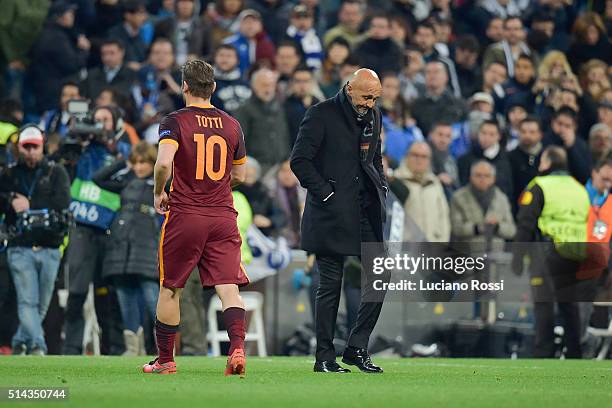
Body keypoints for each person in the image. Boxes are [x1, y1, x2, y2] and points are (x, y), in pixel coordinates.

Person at [143, 59, 249, 376]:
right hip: (222, 215)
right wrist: (214, 186)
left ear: (185, 86)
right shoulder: (232, 124)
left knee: (171, 288)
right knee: (228, 286)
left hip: (186, 214)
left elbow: (163, 164)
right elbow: (241, 174)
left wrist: (159, 191)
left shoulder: (175, 121)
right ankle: (238, 349)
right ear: (213, 87)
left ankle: (165, 361)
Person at [291, 68, 388, 373]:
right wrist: (327, 194)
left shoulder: (374, 116)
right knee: (330, 284)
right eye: (365, 96)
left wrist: (381, 184)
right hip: (330, 212)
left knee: (380, 275)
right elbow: (299, 161)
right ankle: (324, 357)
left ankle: (356, 347)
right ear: (349, 88)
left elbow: (374, 158)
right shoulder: (321, 114)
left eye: (375, 98)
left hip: (363, 209)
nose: (370, 103)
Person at [0, 125, 71, 355]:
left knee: (40, 305)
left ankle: (21, 340)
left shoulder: (56, 172)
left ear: (43, 147)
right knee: (28, 301)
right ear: (18, 148)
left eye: (34, 147)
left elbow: (63, 204)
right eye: (26, 147)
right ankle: (38, 346)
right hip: (19, 246)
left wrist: (33, 206)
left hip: (50, 246)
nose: (30, 152)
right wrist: (8, 199)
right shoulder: (8, 174)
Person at [514, 146, 590, 358]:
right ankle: (575, 353)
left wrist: (517, 258)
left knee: (544, 303)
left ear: (546, 163)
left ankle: (543, 353)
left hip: (547, 251)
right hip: (575, 253)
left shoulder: (539, 185)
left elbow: (525, 223)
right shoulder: (579, 188)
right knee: (569, 305)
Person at [92, 142, 160, 356]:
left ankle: (166, 346)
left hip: (146, 244)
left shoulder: (161, 182)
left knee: (152, 296)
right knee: (125, 295)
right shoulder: (126, 180)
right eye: (136, 163)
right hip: (120, 245)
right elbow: (98, 178)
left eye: (144, 162)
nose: (139, 167)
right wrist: (123, 161)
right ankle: (133, 347)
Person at [450, 160, 516, 250]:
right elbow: (456, 229)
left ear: (493, 178)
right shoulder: (459, 197)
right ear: (471, 177)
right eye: (478, 175)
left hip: (496, 255)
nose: (482, 179)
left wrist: (497, 227)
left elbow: (511, 230)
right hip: (468, 255)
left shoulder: (501, 198)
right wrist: (478, 228)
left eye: (487, 176)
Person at [234, 68, 290, 174]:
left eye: (271, 85)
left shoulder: (282, 108)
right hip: (256, 168)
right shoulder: (244, 110)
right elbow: (239, 141)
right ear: (254, 86)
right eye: (263, 85)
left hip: (281, 168)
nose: (268, 89)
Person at [394, 141, 450, 242]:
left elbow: (443, 216)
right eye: (415, 155)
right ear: (407, 156)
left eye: (424, 157)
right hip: (405, 248)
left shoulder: (434, 183)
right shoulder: (396, 181)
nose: (419, 160)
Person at [508, 117, 543, 212]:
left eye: (532, 132)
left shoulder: (546, 156)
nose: (527, 135)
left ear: (540, 134)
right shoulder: (510, 157)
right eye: (523, 132)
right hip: (517, 209)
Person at [210, 44, 251, 114]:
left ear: (238, 61)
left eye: (229, 56)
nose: (225, 59)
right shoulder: (207, 83)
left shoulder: (246, 83)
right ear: (214, 58)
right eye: (221, 55)